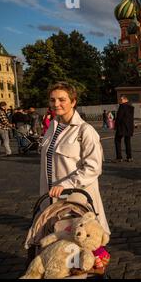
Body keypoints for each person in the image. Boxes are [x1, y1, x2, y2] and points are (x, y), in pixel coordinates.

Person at [38, 82, 110, 235]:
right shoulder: (51, 127)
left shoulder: (85, 130)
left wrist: (67, 184)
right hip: (51, 199)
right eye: (52, 100)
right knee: (57, 246)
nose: (56, 104)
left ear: (73, 101)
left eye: (62, 99)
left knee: (78, 245)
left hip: (76, 199)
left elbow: (93, 167)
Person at [114, 95, 135, 162]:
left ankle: (119, 157)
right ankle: (129, 157)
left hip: (122, 127)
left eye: (121, 99)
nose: (120, 101)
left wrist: (115, 126)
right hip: (129, 127)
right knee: (127, 142)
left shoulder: (122, 106)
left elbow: (119, 117)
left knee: (117, 140)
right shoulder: (131, 107)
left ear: (125, 99)